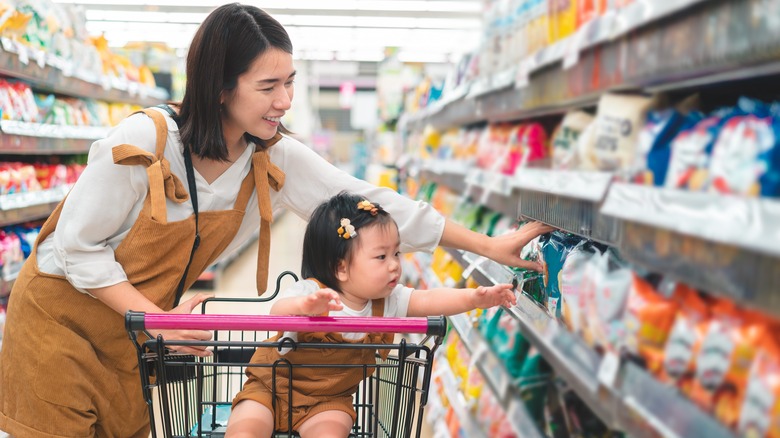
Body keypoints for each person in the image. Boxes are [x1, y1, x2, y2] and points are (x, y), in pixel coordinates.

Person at [0, 3, 551, 437]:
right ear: (220, 87)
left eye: (289, 81)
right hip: (63, 325)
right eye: (269, 86)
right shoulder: (142, 145)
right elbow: (77, 249)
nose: (285, 100)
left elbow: (367, 201)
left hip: (136, 336)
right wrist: (160, 322)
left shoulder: (269, 154)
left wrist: (485, 243)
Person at [226, 193, 518, 438]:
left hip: (328, 401)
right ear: (341, 267)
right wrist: (306, 309)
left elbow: (428, 299)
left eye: (396, 254)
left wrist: (475, 298)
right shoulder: (312, 292)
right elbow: (277, 312)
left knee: (332, 431)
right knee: (246, 430)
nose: (394, 266)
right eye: (381, 257)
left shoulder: (387, 302)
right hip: (270, 385)